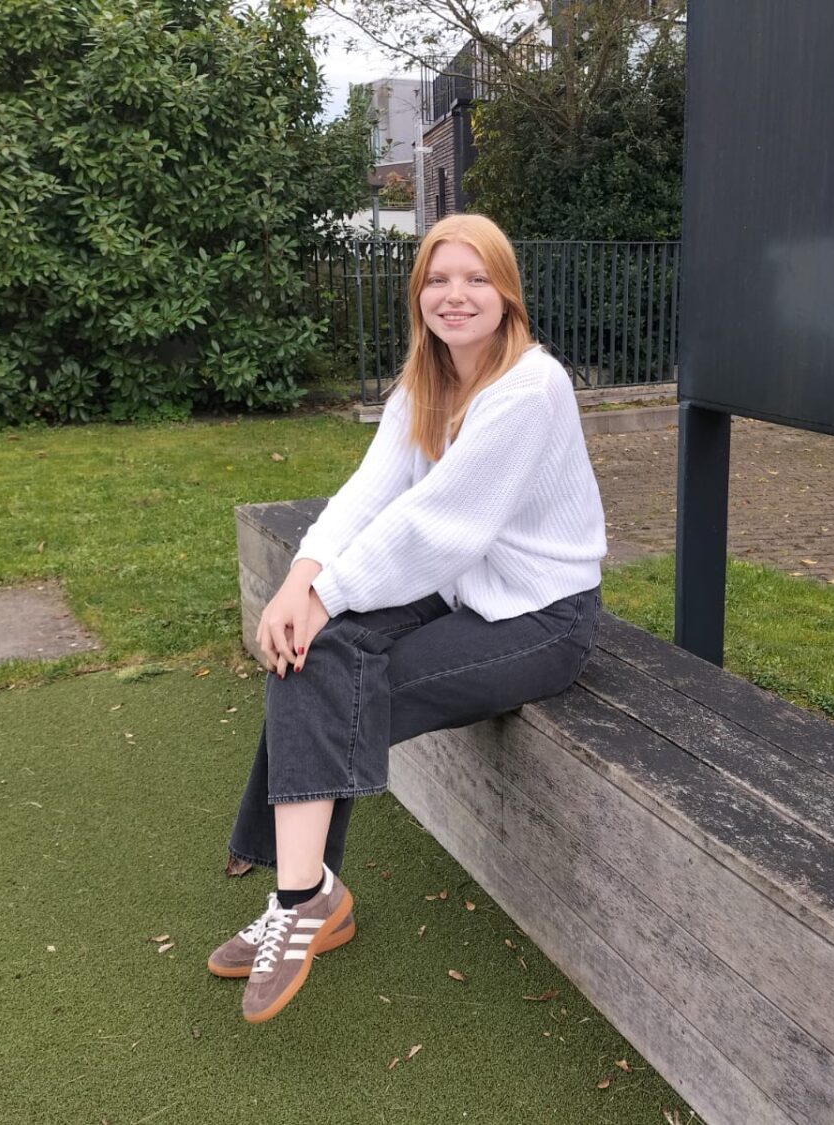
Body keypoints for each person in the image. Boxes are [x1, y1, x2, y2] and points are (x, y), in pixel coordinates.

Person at [208, 214, 607, 1024]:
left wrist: (327, 593)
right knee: (314, 651)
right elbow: (370, 490)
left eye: (475, 278)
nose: (454, 295)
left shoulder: (532, 387)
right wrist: (303, 580)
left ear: (507, 295)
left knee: (342, 668)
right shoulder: (426, 382)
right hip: (465, 585)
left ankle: (298, 899)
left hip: (541, 617)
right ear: (418, 293)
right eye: (437, 278)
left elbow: (438, 523)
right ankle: (309, 894)